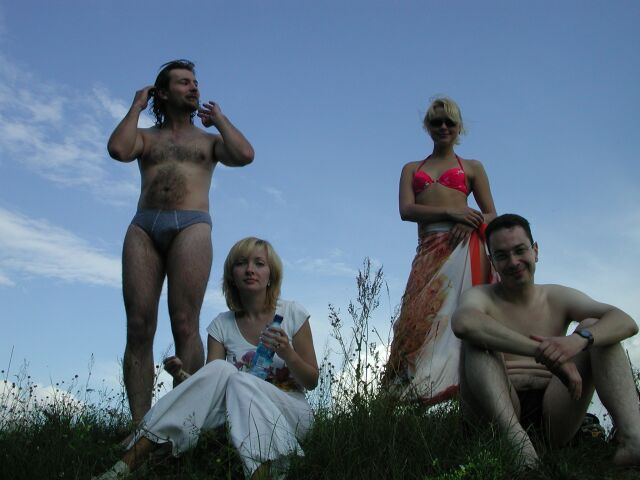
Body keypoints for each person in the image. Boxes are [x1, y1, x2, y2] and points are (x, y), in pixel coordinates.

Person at [93, 237, 319, 480]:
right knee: (223, 370)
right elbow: (211, 388)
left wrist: (288, 353)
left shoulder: (292, 313)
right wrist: (181, 375)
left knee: (240, 381)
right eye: (241, 263)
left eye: (259, 263)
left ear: (271, 275)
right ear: (231, 276)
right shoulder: (221, 325)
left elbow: (312, 381)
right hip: (238, 417)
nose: (250, 270)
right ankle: (124, 466)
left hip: (290, 412)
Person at [107, 59, 255, 423]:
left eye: (195, 82)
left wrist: (219, 120)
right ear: (162, 92)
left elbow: (245, 155)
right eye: (184, 82)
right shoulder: (146, 136)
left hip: (192, 227)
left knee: (186, 324)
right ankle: (141, 427)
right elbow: (118, 150)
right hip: (144, 228)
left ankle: (183, 425)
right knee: (138, 326)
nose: (194, 87)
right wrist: (137, 106)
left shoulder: (209, 141)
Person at [451, 214, 640, 468]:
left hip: (556, 412)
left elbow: (625, 322)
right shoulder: (480, 297)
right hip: (498, 411)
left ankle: (633, 440)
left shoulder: (557, 296)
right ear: (492, 261)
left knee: (594, 328)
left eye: (520, 250)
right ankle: (518, 448)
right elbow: (464, 323)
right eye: (502, 255)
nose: (513, 262)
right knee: (476, 340)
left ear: (535, 251)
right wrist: (545, 353)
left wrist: (577, 341)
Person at [384, 96, 497, 403]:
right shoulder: (412, 168)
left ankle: (470, 393)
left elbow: (492, 214)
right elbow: (406, 210)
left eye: (450, 122)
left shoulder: (472, 167)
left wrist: (471, 223)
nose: (443, 127)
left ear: (459, 127)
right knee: (415, 319)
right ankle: (403, 397)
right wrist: (452, 212)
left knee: (463, 316)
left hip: (464, 248)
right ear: (428, 127)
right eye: (437, 122)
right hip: (428, 249)